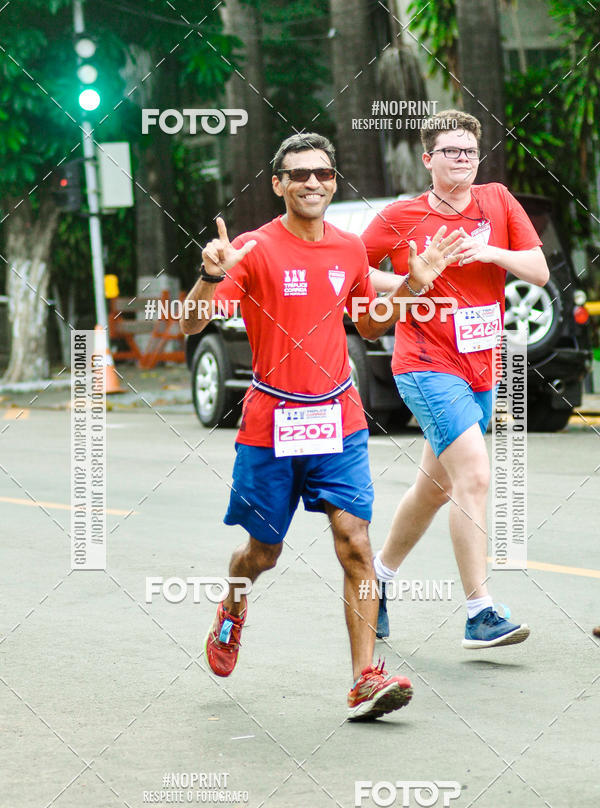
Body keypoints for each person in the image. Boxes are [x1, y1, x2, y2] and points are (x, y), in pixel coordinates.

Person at [180, 132, 461, 719]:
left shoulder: (349, 249)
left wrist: (411, 286)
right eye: (299, 174)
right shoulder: (253, 248)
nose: (313, 182)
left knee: (355, 543)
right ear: (278, 184)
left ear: (334, 181)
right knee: (262, 554)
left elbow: (371, 327)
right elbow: (188, 325)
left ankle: (364, 680)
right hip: (272, 422)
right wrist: (208, 276)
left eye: (324, 174)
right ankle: (233, 605)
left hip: (338, 417)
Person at [361, 110, 549, 646]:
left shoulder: (497, 201)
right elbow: (351, 266)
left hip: (480, 367)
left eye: (469, 151)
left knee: (435, 487)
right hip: (425, 365)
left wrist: (489, 251)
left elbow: (537, 270)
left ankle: (377, 577)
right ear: (429, 160)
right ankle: (479, 612)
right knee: (474, 477)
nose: (462, 160)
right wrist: (408, 281)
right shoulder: (403, 215)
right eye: (450, 151)